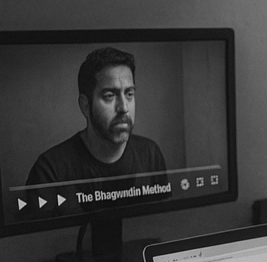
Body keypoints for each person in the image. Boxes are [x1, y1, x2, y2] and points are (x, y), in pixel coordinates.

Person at [26, 46, 167, 189]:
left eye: (129, 94)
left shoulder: (150, 154)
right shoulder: (50, 171)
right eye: (109, 96)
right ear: (85, 105)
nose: (124, 108)